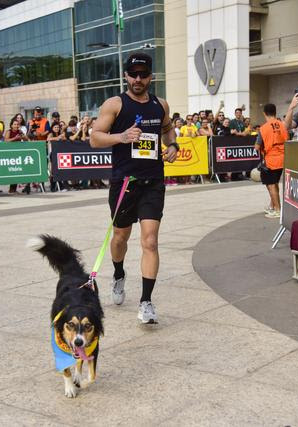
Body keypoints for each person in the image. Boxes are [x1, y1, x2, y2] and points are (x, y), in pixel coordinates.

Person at [90, 52, 178, 324]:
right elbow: (94, 138)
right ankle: (118, 274)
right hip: (124, 182)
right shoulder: (115, 104)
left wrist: (172, 145)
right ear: (126, 76)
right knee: (120, 237)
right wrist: (122, 136)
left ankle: (146, 301)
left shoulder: (160, 104)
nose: (138, 79)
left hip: (153, 181)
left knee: (150, 240)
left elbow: (168, 130)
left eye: (143, 74)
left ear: (151, 76)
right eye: (133, 74)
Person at [254, 104, 289, 218]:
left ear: (264, 113)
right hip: (283, 158)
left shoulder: (263, 128)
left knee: (271, 185)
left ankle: (278, 210)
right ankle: (273, 206)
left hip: (271, 160)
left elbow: (257, 147)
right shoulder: (282, 125)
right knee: (275, 183)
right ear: (275, 111)